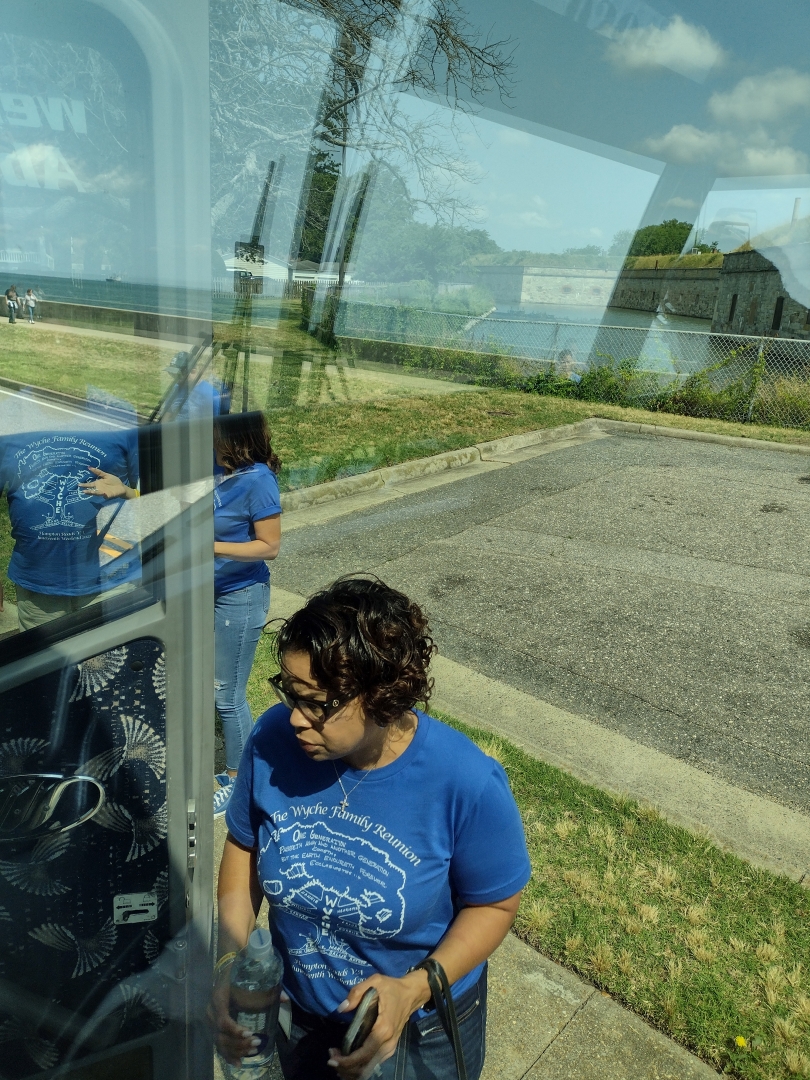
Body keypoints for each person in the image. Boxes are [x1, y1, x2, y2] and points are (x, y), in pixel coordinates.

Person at [212, 577, 531, 1080]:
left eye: (317, 703)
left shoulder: (465, 781)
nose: (295, 719)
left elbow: (494, 905)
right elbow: (244, 847)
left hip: (419, 1029)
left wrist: (415, 989)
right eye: (290, 693)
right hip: (302, 1014)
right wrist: (228, 961)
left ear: (383, 696)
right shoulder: (272, 740)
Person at [0, 426, 141, 630]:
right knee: (43, 652)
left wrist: (127, 492)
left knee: (112, 650)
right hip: (38, 586)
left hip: (111, 582)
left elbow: (158, 498)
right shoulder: (10, 425)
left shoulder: (120, 423)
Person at [212, 411, 282, 817]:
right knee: (212, 686)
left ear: (235, 441)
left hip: (239, 597)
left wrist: (209, 546)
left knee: (228, 694)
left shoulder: (259, 481)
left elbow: (269, 546)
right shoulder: (219, 471)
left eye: (214, 434)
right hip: (207, 592)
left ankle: (238, 780)